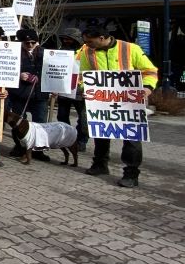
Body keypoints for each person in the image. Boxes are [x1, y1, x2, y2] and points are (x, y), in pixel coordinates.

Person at [80, 22, 158, 187]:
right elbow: (81, 75)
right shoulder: (87, 52)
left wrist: (147, 88)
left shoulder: (131, 49)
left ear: (102, 38)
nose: (86, 45)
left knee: (131, 138)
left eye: (90, 41)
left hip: (129, 102)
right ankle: (100, 165)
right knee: (101, 133)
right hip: (101, 102)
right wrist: (84, 88)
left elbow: (150, 71)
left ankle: (131, 174)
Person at [8, 28, 51, 161]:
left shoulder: (45, 53)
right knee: (18, 122)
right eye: (27, 43)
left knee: (41, 123)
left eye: (33, 42)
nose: (31, 45)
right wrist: (18, 75)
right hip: (20, 94)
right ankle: (20, 147)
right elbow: (4, 70)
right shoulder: (13, 53)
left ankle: (38, 150)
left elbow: (53, 70)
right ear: (22, 42)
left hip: (39, 95)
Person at [55, 28, 88, 152]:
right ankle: (67, 139)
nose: (66, 41)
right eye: (65, 39)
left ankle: (81, 140)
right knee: (62, 116)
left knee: (84, 120)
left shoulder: (87, 51)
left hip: (81, 90)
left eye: (69, 39)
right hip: (64, 89)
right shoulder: (60, 51)